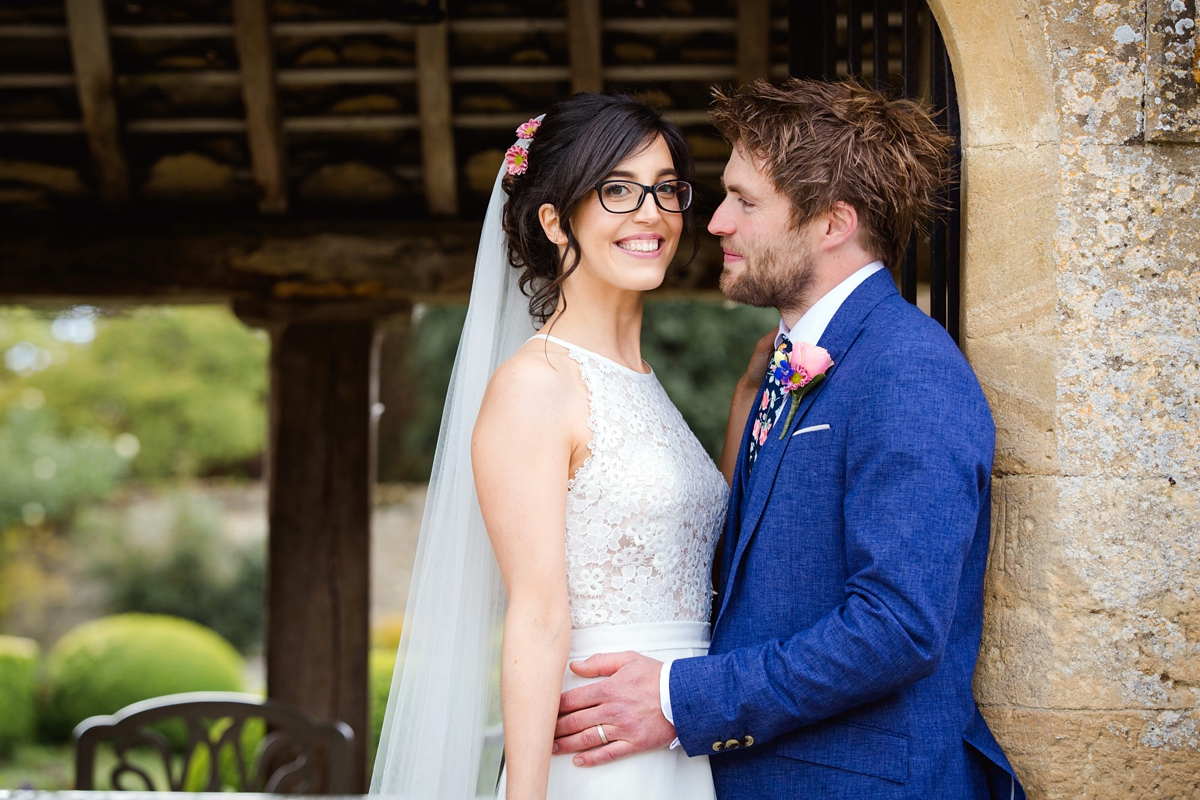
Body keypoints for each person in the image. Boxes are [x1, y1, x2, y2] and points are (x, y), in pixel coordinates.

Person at [553, 79, 1028, 799]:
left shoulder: (907, 369)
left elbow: (897, 626)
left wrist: (680, 699)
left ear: (833, 223)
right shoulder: (794, 360)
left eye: (745, 201)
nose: (714, 223)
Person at [370, 92, 728, 799]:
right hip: (599, 758)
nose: (650, 213)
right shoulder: (535, 385)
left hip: (683, 737)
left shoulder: (644, 384)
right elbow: (536, 616)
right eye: (617, 190)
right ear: (556, 222)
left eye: (664, 189)